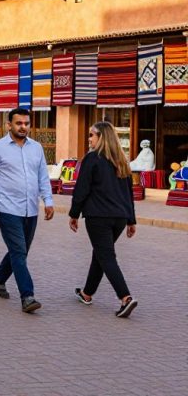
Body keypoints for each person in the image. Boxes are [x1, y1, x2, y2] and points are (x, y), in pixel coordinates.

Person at [0, 108, 55, 313]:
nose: (23, 127)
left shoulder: (36, 148)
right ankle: (27, 296)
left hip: (31, 209)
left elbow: (42, 177)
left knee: (20, 251)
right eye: (19, 123)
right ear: (9, 125)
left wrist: (48, 201)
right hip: (8, 208)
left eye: (26, 123)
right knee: (19, 251)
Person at [69, 122, 139, 318]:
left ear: (102, 137)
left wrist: (74, 214)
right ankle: (87, 293)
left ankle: (125, 298)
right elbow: (128, 194)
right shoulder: (121, 161)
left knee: (106, 256)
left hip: (98, 216)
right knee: (100, 253)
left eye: (92, 135)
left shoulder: (92, 158)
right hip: (119, 218)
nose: (89, 139)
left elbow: (82, 189)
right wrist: (131, 220)